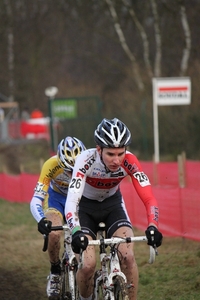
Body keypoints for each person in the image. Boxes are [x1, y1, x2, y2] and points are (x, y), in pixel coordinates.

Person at [64, 118, 163, 300]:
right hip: (85, 208)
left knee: (128, 256)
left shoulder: (130, 161)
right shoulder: (85, 160)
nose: (117, 160)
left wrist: (153, 226)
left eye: (121, 153)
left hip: (113, 205)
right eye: (110, 154)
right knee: (87, 265)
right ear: (99, 149)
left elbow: (149, 197)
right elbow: (71, 201)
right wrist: (76, 231)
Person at [30, 136, 86, 299]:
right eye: (68, 170)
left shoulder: (89, 162)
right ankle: (55, 271)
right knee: (54, 233)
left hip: (79, 201)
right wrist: (42, 219)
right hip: (57, 200)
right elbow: (36, 199)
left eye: (75, 170)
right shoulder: (50, 165)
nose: (71, 174)